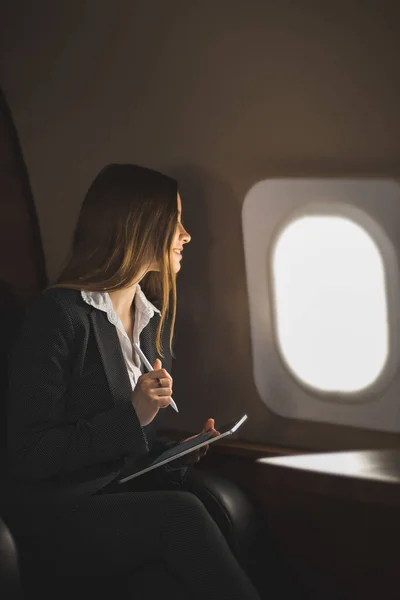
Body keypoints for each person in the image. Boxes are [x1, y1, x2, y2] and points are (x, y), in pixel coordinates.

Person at [5, 164, 262, 599]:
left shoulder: (144, 319)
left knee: (207, 502)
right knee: (179, 515)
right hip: (58, 514)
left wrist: (174, 454)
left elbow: (117, 446)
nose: (186, 235)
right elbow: (32, 453)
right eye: (174, 221)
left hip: (113, 493)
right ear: (138, 228)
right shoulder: (59, 316)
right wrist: (133, 415)